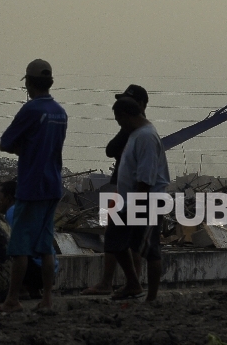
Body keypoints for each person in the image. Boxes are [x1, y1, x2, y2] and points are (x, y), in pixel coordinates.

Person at [0, 59, 67, 313]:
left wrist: (24, 149)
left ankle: (12, 299)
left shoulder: (31, 110)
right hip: (53, 186)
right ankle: (47, 299)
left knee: (20, 247)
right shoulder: (59, 112)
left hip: (31, 186)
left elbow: (6, 142)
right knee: (45, 246)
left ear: (28, 83)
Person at [81, 85, 148, 296]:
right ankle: (120, 283)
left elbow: (111, 149)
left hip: (129, 189)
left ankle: (125, 284)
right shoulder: (139, 130)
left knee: (124, 237)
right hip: (126, 187)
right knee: (119, 237)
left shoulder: (135, 130)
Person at [105, 97, 170, 302]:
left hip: (146, 201)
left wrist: (138, 204)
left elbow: (146, 176)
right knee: (115, 241)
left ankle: (151, 297)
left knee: (150, 248)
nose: (119, 125)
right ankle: (133, 284)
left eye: (118, 120)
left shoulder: (146, 137)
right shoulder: (136, 134)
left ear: (125, 116)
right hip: (129, 200)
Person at [0, 179, 52, 298]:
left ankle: (20, 290)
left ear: (9, 198)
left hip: (32, 270)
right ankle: (33, 290)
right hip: (49, 270)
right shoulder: (27, 209)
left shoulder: (12, 212)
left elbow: (14, 243)